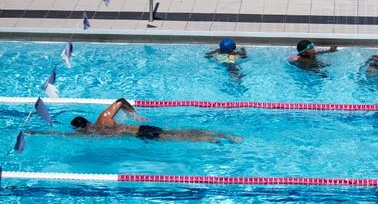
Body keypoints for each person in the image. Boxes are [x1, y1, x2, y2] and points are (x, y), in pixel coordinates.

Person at [27, 99, 242, 143]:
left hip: (141, 133)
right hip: (141, 128)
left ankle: (209, 139)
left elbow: (60, 134)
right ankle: (219, 135)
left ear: (80, 126)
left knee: (178, 137)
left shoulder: (91, 131)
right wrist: (133, 115)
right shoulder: (103, 118)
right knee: (178, 132)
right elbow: (120, 101)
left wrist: (35, 133)